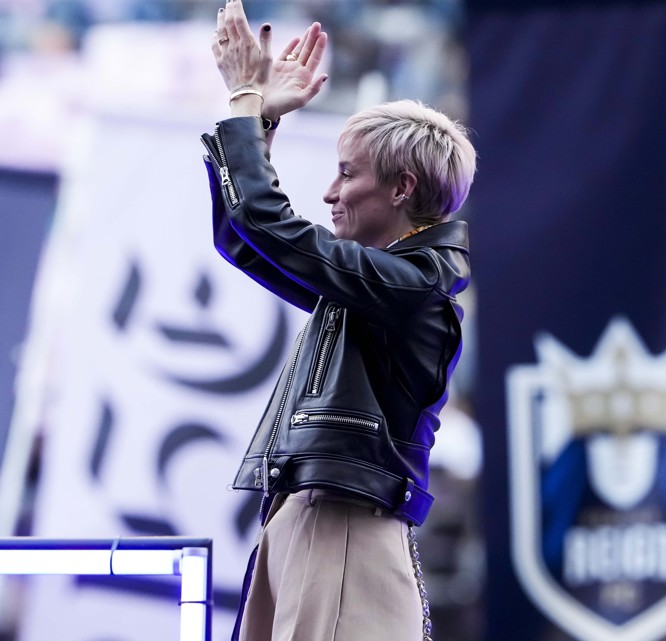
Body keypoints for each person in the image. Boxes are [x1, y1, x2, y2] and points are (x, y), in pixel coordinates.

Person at [204, 2, 476, 639]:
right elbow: (243, 237)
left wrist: (246, 101)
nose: (329, 192)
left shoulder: (408, 288)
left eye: (346, 173)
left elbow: (264, 226)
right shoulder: (380, 285)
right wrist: (259, 120)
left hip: (343, 526)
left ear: (403, 188)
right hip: (313, 519)